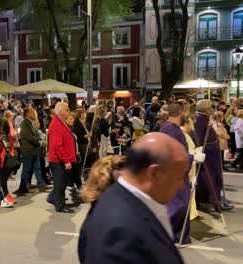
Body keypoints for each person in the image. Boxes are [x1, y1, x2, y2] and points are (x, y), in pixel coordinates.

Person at [78, 133, 188, 264]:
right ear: (154, 173)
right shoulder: (120, 235)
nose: (181, 185)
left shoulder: (131, 203)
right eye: (179, 176)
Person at [159, 101, 206, 243]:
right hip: (175, 174)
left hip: (174, 173)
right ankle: (174, 236)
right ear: (181, 112)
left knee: (177, 205)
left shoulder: (168, 127)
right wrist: (193, 157)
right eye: (185, 111)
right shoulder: (172, 130)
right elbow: (174, 154)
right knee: (179, 205)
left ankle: (174, 235)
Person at [194, 100, 233, 211]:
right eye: (211, 108)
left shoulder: (204, 118)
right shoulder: (199, 120)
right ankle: (212, 201)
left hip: (212, 155)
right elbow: (199, 140)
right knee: (209, 178)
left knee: (215, 177)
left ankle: (215, 200)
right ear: (206, 109)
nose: (213, 110)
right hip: (208, 156)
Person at [47, 102, 77, 213]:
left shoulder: (60, 122)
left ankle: (52, 198)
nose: (69, 112)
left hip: (63, 159)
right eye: (67, 110)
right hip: (58, 160)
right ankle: (60, 206)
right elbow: (57, 146)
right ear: (60, 111)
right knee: (60, 183)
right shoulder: (56, 124)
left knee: (62, 182)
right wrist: (66, 161)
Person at [16, 107, 50, 195]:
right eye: (32, 112)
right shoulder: (24, 123)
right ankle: (23, 187)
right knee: (27, 169)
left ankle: (41, 185)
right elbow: (29, 137)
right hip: (28, 150)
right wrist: (39, 142)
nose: (34, 114)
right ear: (27, 114)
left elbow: (36, 133)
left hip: (34, 150)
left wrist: (39, 140)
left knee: (37, 168)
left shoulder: (31, 123)